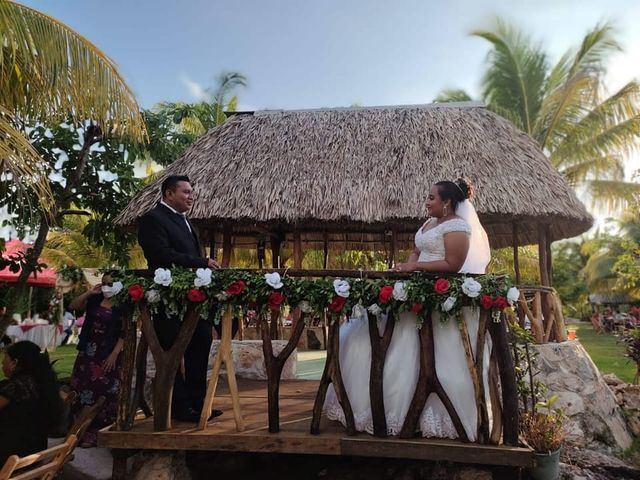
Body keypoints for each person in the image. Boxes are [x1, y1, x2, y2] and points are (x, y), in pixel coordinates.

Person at [324, 178, 492, 439]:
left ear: (446, 202)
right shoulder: (428, 224)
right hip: (412, 290)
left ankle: (433, 417)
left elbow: (453, 263)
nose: (427, 201)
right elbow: (416, 251)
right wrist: (405, 267)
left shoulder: (458, 226)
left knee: (432, 358)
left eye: (432, 198)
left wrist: (416, 268)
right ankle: (383, 411)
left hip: (436, 299)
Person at [138, 175, 221, 423]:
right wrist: (200, 262)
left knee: (200, 345)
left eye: (192, 192)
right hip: (169, 299)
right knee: (172, 352)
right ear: (168, 194)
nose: (191, 196)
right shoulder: (153, 219)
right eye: (185, 192)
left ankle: (199, 404)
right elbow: (160, 254)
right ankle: (180, 406)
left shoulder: (186, 222)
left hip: (195, 300)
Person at [67, 272, 126, 447]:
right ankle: (78, 429)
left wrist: (115, 354)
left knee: (104, 389)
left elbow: (124, 332)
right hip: (89, 351)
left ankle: (97, 431)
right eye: (104, 283)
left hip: (108, 352)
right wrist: (89, 293)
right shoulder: (95, 299)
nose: (106, 287)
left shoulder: (123, 304)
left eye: (110, 283)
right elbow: (73, 305)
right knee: (82, 387)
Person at [0, 341, 64, 464]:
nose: (2, 363)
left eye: (5, 358)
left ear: (14, 363)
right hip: (34, 451)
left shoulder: (15, 387)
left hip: (12, 456)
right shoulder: (42, 383)